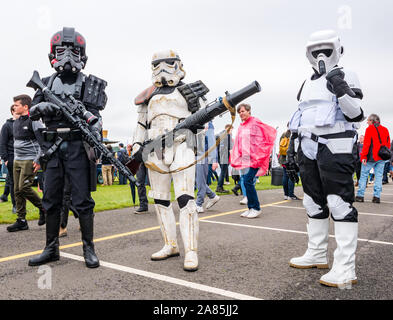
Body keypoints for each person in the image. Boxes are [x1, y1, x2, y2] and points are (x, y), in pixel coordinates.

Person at [287, 30, 365, 287]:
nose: (321, 56)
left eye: (326, 50)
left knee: (339, 203)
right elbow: (301, 114)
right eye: (315, 50)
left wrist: (340, 86)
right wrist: (292, 148)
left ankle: (345, 268)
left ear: (337, 50)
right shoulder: (306, 81)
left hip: (336, 144)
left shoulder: (346, 74)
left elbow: (356, 114)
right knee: (312, 202)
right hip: (307, 145)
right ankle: (317, 253)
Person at [27, 27, 107, 269]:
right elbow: (31, 111)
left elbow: (96, 116)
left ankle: (88, 248)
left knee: (82, 200)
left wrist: (94, 132)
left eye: (73, 51)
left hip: (77, 147)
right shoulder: (47, 83)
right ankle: (51, 248)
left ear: (82, 54)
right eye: (62, 51)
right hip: (52, 148)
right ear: (53, 54)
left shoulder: (88, 83)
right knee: (51, 199)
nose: (68, 56)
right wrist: (44, 109)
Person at [132, 50, 209, 271]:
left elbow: (203, 118)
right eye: (158, 64)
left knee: (185, 199)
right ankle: (170, 244)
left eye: (168, 64)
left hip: (182, 145)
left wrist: (198, 142)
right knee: (161, 200)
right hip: (155, 148)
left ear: (178, 65)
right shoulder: (148, 95)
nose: (163, 68)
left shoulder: (189, 91)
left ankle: (191, 250)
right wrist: (137, 146)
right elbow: (141, 124)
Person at [6, 95, 46, 232]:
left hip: (30, 160)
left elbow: (43, 141)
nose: (14, 107)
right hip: (17, 159)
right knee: (17, 190)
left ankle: (44, 208)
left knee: (23, 187)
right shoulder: (16, 122)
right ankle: (21, 220)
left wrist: (39, 159)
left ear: (25, 107)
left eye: (16, 105)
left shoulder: (34, 121)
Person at [230, 103, 276, 219]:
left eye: (243, 111)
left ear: (249, 111)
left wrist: (260, 153)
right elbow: (239, 143)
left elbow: (264, 136)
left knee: (248, 181)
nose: (241, 114)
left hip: (256, 158)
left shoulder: (255, 122)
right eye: (239, 112)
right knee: (246, 182)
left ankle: (256, 208)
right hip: (246, 158)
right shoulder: (241, 126)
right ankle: (250, 208)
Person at [355, 114, 391, 203]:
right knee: (378, 177)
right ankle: (376, 197)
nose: (367, 122)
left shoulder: (369, 129)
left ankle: (360, 195)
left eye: (368, 120)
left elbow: (366, 144)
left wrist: (363, 156)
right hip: (381, 158)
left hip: (370, 158)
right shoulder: (385, 129)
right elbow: (388, 144)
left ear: (373, 121)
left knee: (363, 176)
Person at [195, 121, 220, 213]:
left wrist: (214, 160)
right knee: (198, 180)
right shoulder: (195, 121)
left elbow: (212, 142)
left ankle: (199, 204)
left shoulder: (208, 124)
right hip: (194, 154)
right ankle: (212, 196)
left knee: (200, 181)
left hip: (202, 155)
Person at [0, 105, 18, 213]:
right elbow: (2, 143)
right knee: (13, 183)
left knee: (23, 185)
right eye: (15, 111)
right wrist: (5, 158)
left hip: (24, 157)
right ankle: (15, 205)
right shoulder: (7, 126)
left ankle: (21, 205)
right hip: (11, 158)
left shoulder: (25, 123)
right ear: (12, 112)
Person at [279, 129, 300, 200]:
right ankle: (291, 194)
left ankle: (286, 194)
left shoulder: (284, 134)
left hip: (284, 158)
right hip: (292, 158)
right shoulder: (295, 134)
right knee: (292, 175)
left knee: (285, 176)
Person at [215, 124, 233, 194]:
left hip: (220, 154)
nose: (231, 131)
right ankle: (219, 187)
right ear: (228, 128)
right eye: (231, 129)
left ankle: (220, 186)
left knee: (223, 171)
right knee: (223, 172)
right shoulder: (227, 135)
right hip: (224, 154)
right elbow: (228, 147)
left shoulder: (219, 134)